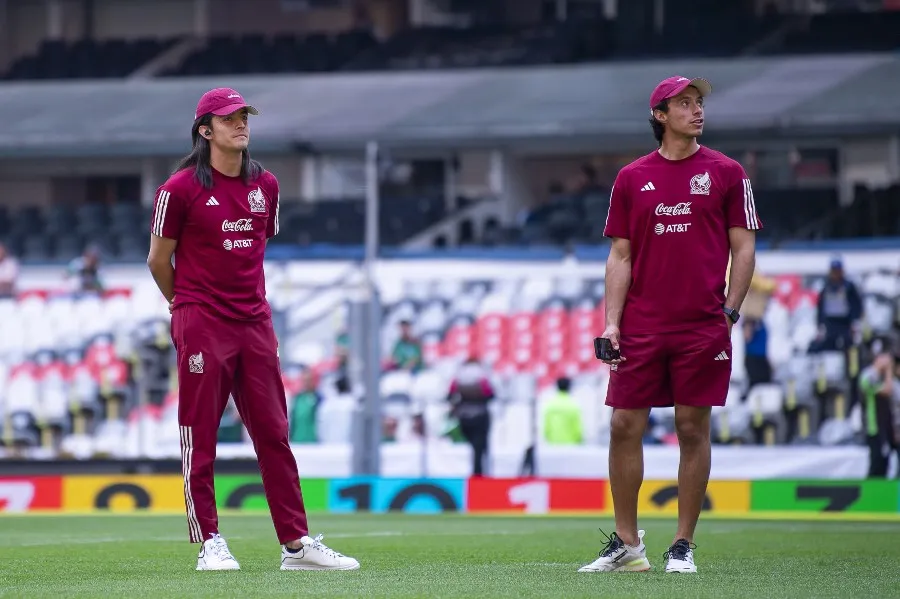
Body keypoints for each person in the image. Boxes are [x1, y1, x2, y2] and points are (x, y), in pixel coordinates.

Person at [146, 87, 359, 572]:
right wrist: (183, 306)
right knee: (199, 435)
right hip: (201, 320)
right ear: (205, 130)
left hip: (255, 322)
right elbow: (159, 260)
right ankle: (210, 542)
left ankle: (297, 544)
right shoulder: (177, 190)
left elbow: (254, 250)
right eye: (229, 119)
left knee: (274, 433)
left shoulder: (267, 185)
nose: (241, 125)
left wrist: (252, 318)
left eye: (244, 117)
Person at [578, 76, 761, 575]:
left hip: (702, 325)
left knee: (691, 427)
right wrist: (612, 324)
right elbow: (620, 255)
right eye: (684, 103)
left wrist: (728, 311)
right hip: (641, 325)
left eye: (699, 102)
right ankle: (626, 543)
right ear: (660, 114)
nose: (696, 110)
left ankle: (682, 544)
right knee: (623, 424)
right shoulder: (632, 177)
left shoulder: (727, 172)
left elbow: (744, 247)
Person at [858, 339, 900, 478]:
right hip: (875, 427)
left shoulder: (892, 379)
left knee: (888, 464)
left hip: (891, 429)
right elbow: (886, 390)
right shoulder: (868, 375)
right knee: (877, 464)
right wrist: (887, 370)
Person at [447, 357, 494, 476]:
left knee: (469, 448)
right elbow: (490, 394)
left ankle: (471, 474)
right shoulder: (482, 375)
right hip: (480, 417)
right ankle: (478, 475)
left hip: (463, 417)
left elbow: (450, 395)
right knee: (479, 449)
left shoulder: (458, 375)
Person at [814, 258, 862, 352]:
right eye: (833, 270)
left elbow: (856, 305)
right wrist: (819, 324)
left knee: (850, 348)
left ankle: (852, 366)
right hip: (830, 323)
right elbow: (821, 307)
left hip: (845, 323)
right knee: (829, 348)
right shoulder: (826, 286)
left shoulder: (848, 286)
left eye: (837, 270)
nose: (835, 273)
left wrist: (855, 321)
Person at [541, 377, 584, 445]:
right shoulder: (573, 406)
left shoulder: (550, 405)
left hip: (553, 445)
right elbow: (578, 431)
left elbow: (546, 430)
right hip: (571, 446)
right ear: (569, 387)